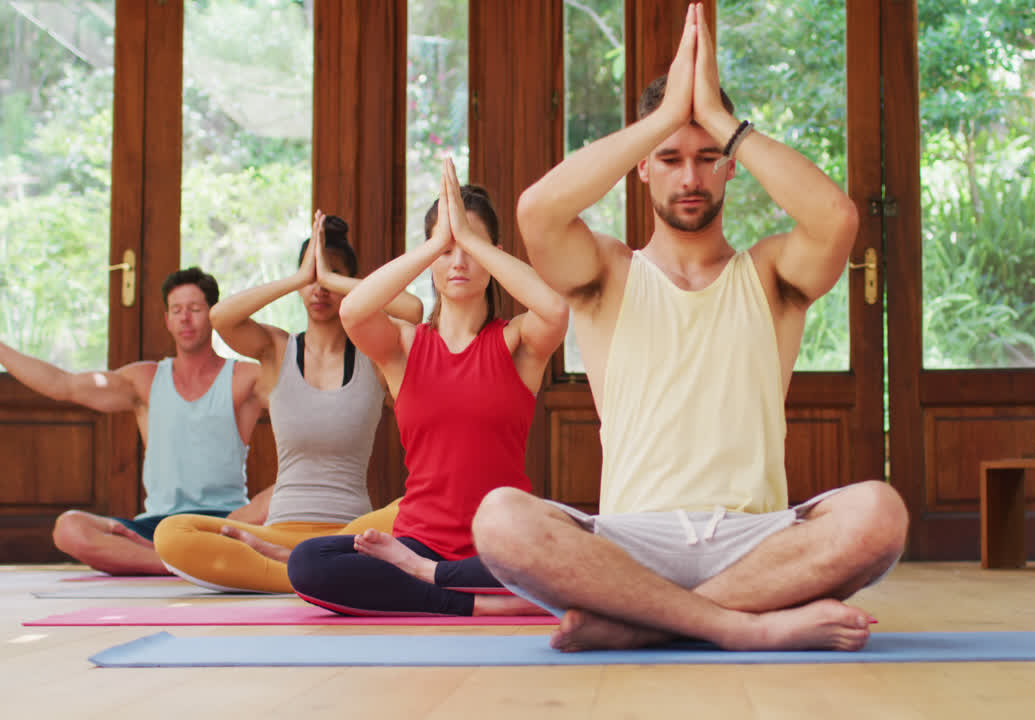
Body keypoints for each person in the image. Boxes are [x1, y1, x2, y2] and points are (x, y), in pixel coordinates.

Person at [471, 3, 908, 652]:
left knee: (880, 514)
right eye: (669, 157)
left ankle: (640, 624)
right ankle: (740, 627)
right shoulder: (607, 274)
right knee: (499, 518)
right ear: (643, 164)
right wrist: (664, 116)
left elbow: (837, 221)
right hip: (632, 542)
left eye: (709, 157)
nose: (690, 176)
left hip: (756, 544)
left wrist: (722, 120)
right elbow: (537, 211)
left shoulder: (770, 277)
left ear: (732, 164)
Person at [286, 159, 568, 616]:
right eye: (445, 251)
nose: (458, 261)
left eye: (471, 248)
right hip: (418, 544)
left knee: (569, 554)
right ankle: (474, 601)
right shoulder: (403, 344)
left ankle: (440, 587)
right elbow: (353, 312)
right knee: (308, 562)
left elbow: (555, 308)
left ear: (492, 253)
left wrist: (468, 241)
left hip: (499, 544)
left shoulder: (516, 341)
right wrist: (438, 241)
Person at [153, 214, 422, 593]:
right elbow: (221, 317)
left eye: (330, 278)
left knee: (414, 508)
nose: (319, 289)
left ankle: (311, 567)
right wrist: (300, 276)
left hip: (350, 535)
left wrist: (332, 279)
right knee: (173, 532)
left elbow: (412, 309)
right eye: (311, 279)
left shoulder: (374, 355)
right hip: (276, 534)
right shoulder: (277, 349)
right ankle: (308, 575)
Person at [0, 267, 266, 575]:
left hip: (226, 522)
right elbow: (64, 385)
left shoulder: (246, 378)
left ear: (214, 316)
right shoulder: (144, 380)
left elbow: (306, 395)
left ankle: (182, 559)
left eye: (195, 309)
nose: (185, 318)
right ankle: (179, 563)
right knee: (68, 528)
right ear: (167, 320)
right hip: (157, 528)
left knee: (285, 495)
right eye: (176, 310)